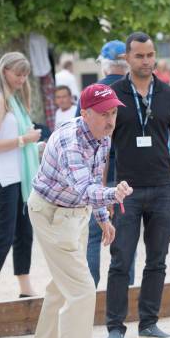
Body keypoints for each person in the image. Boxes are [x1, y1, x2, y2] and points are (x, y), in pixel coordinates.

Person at [26, 83, 132, 338]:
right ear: (84, 113)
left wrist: (102, 218)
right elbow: (85, 188)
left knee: (62, 285)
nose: (110, 120)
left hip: (72, 215)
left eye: (113, 112)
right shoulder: (70, 141)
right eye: (103, 114)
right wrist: (114, 195)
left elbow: (93, 181)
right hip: (50, 214)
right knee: (83, 289)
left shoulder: (101, 136)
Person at [104, 32, 170, 338]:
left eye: (150, 55)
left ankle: (149, 323)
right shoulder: (112, 94)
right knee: (120, 260)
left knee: (157, 259)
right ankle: (114, 327)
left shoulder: (169, 94)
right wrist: (103, 194)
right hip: (125, 191)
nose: (146, 61)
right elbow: (104, 147)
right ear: (127, 58)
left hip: (162, 188)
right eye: (139, 56)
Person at [74, 40, 136, 288]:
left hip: (96, 175)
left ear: (104, 64)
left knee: (93, 236)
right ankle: (126, 289)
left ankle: (91, 289)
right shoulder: (134, 91)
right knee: (125, 237)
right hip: (127, 175)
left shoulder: (92, 94)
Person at [0, 52, 41, 303]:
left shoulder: (17, 100)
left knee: (24, 233)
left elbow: (22, 144)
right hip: (4, 178)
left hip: (22, 176)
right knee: (4, 235)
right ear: (4, 71)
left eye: (25, 74)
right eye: (18, 74)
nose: (22, 79)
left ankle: (25, 285)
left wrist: (36, 145)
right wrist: (23, 140)